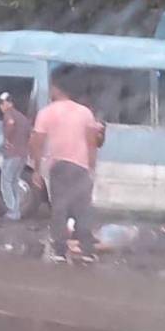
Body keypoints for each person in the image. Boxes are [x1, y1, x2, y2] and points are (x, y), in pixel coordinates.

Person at [30, 67, 102, 264]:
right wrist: (91, 168)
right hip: (81, 167)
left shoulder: (46, 113)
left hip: (59, 166)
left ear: (56, 88)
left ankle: (60, 251)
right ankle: (87, 251)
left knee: (59, 209)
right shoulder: (85, 113)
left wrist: (37, 169)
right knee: (83, 209)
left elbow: (37, 142)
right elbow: (92, 143)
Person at [0, 92, 31, 222]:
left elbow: (10, 123)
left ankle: (12, 211)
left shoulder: (9, 114)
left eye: (2, 103)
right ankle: (16, 212)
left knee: (6, 182)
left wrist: (7, 139)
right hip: (23, 155)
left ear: (8, 103)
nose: (0, 106)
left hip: (12, 154)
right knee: (14, 182)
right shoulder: (23, 117)